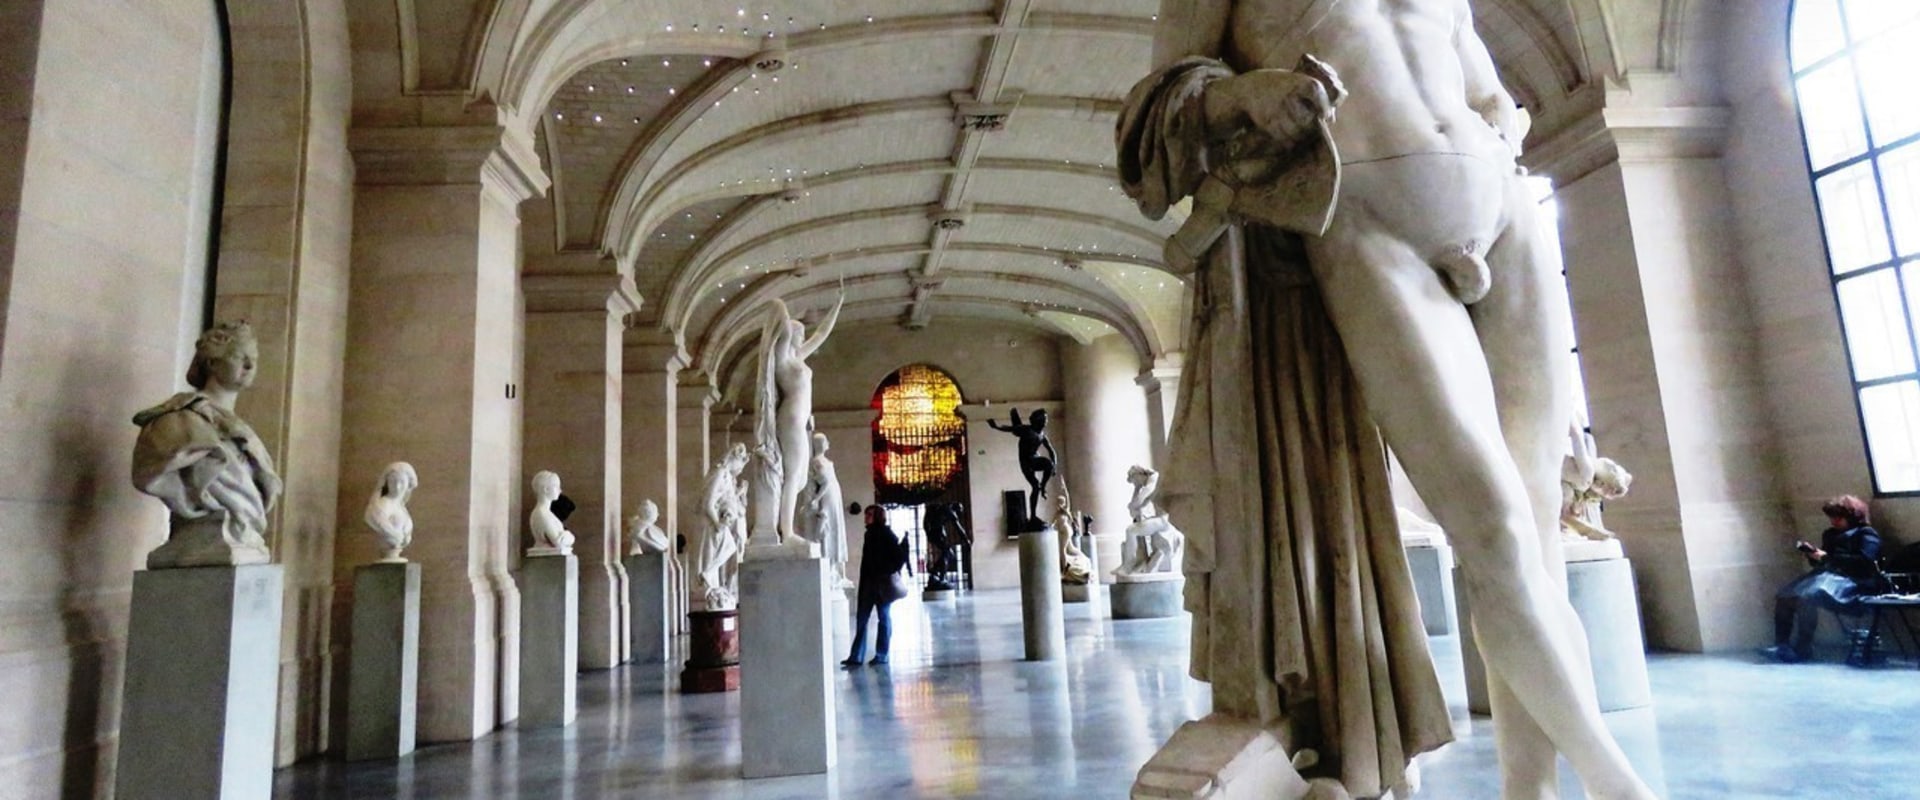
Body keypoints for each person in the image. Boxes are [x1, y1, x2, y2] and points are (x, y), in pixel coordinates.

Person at [1120, 1, 1655, 796]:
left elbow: (1483, 85)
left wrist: (1501, 123)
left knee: (1537, 529)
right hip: (1367, 220)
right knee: (1493, 530)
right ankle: (1620, 783)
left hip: (1503, 211)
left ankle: (1531, 791)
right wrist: (1245, 96)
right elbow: (1154, 108)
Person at [131, 320, 282, 568]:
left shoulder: (244, 432)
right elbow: (150, 471)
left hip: (241, 540)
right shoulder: (176, 423)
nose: (250, 365)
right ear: (212, 362)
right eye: (239, 357)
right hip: (204, 542)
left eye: (253, 358)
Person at [1764, 495, 1887, 663]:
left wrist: (1827, 558)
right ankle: (1782, 644)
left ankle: (1803, 647)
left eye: (1838, 517)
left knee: (1806, 597)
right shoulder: (1830, 535)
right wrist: (1814, 556)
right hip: (1827, 577)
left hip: (1854, 581)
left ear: (1852, 516)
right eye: (1831, 517)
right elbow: (1823, 561)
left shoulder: (1866, 534)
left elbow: (1864, 562)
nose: (1833, 521)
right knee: (1785, 596)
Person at [845, 507, 910, 667]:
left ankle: (881, 655)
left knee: (883, 618)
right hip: (869, 584)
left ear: (877, 517)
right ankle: (856, 656)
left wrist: (884, 570)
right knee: (862, 620)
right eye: (866, 514)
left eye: (869, 514)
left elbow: (899, 556)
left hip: (880, 585)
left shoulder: (886, 534)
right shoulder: (870, 533)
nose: (865, 517)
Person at [985, 409, 1059, 523]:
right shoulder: (1027, 430)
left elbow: (1051, 450)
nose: (1046, 421)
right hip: (1026, 462)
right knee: (1035, 486)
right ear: (1037, 420)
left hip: (1034, 459)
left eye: (1046, 419)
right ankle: (1033, 515)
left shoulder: (1042, 435)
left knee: (1048, 465)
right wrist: (995, 427)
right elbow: (1010, 428)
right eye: (1043, 419)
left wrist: (1055, 465)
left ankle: (1043, 487)